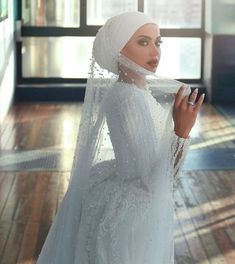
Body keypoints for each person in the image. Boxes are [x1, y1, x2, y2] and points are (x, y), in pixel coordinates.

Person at [37, 12, 204, 264]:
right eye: (143, 42)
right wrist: (182, 131)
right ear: (118, 49)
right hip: (136, 211)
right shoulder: (130, 100)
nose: (154, 51)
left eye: (158, 42)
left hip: (120, 190)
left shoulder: (131, 89)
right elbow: (156, 180)